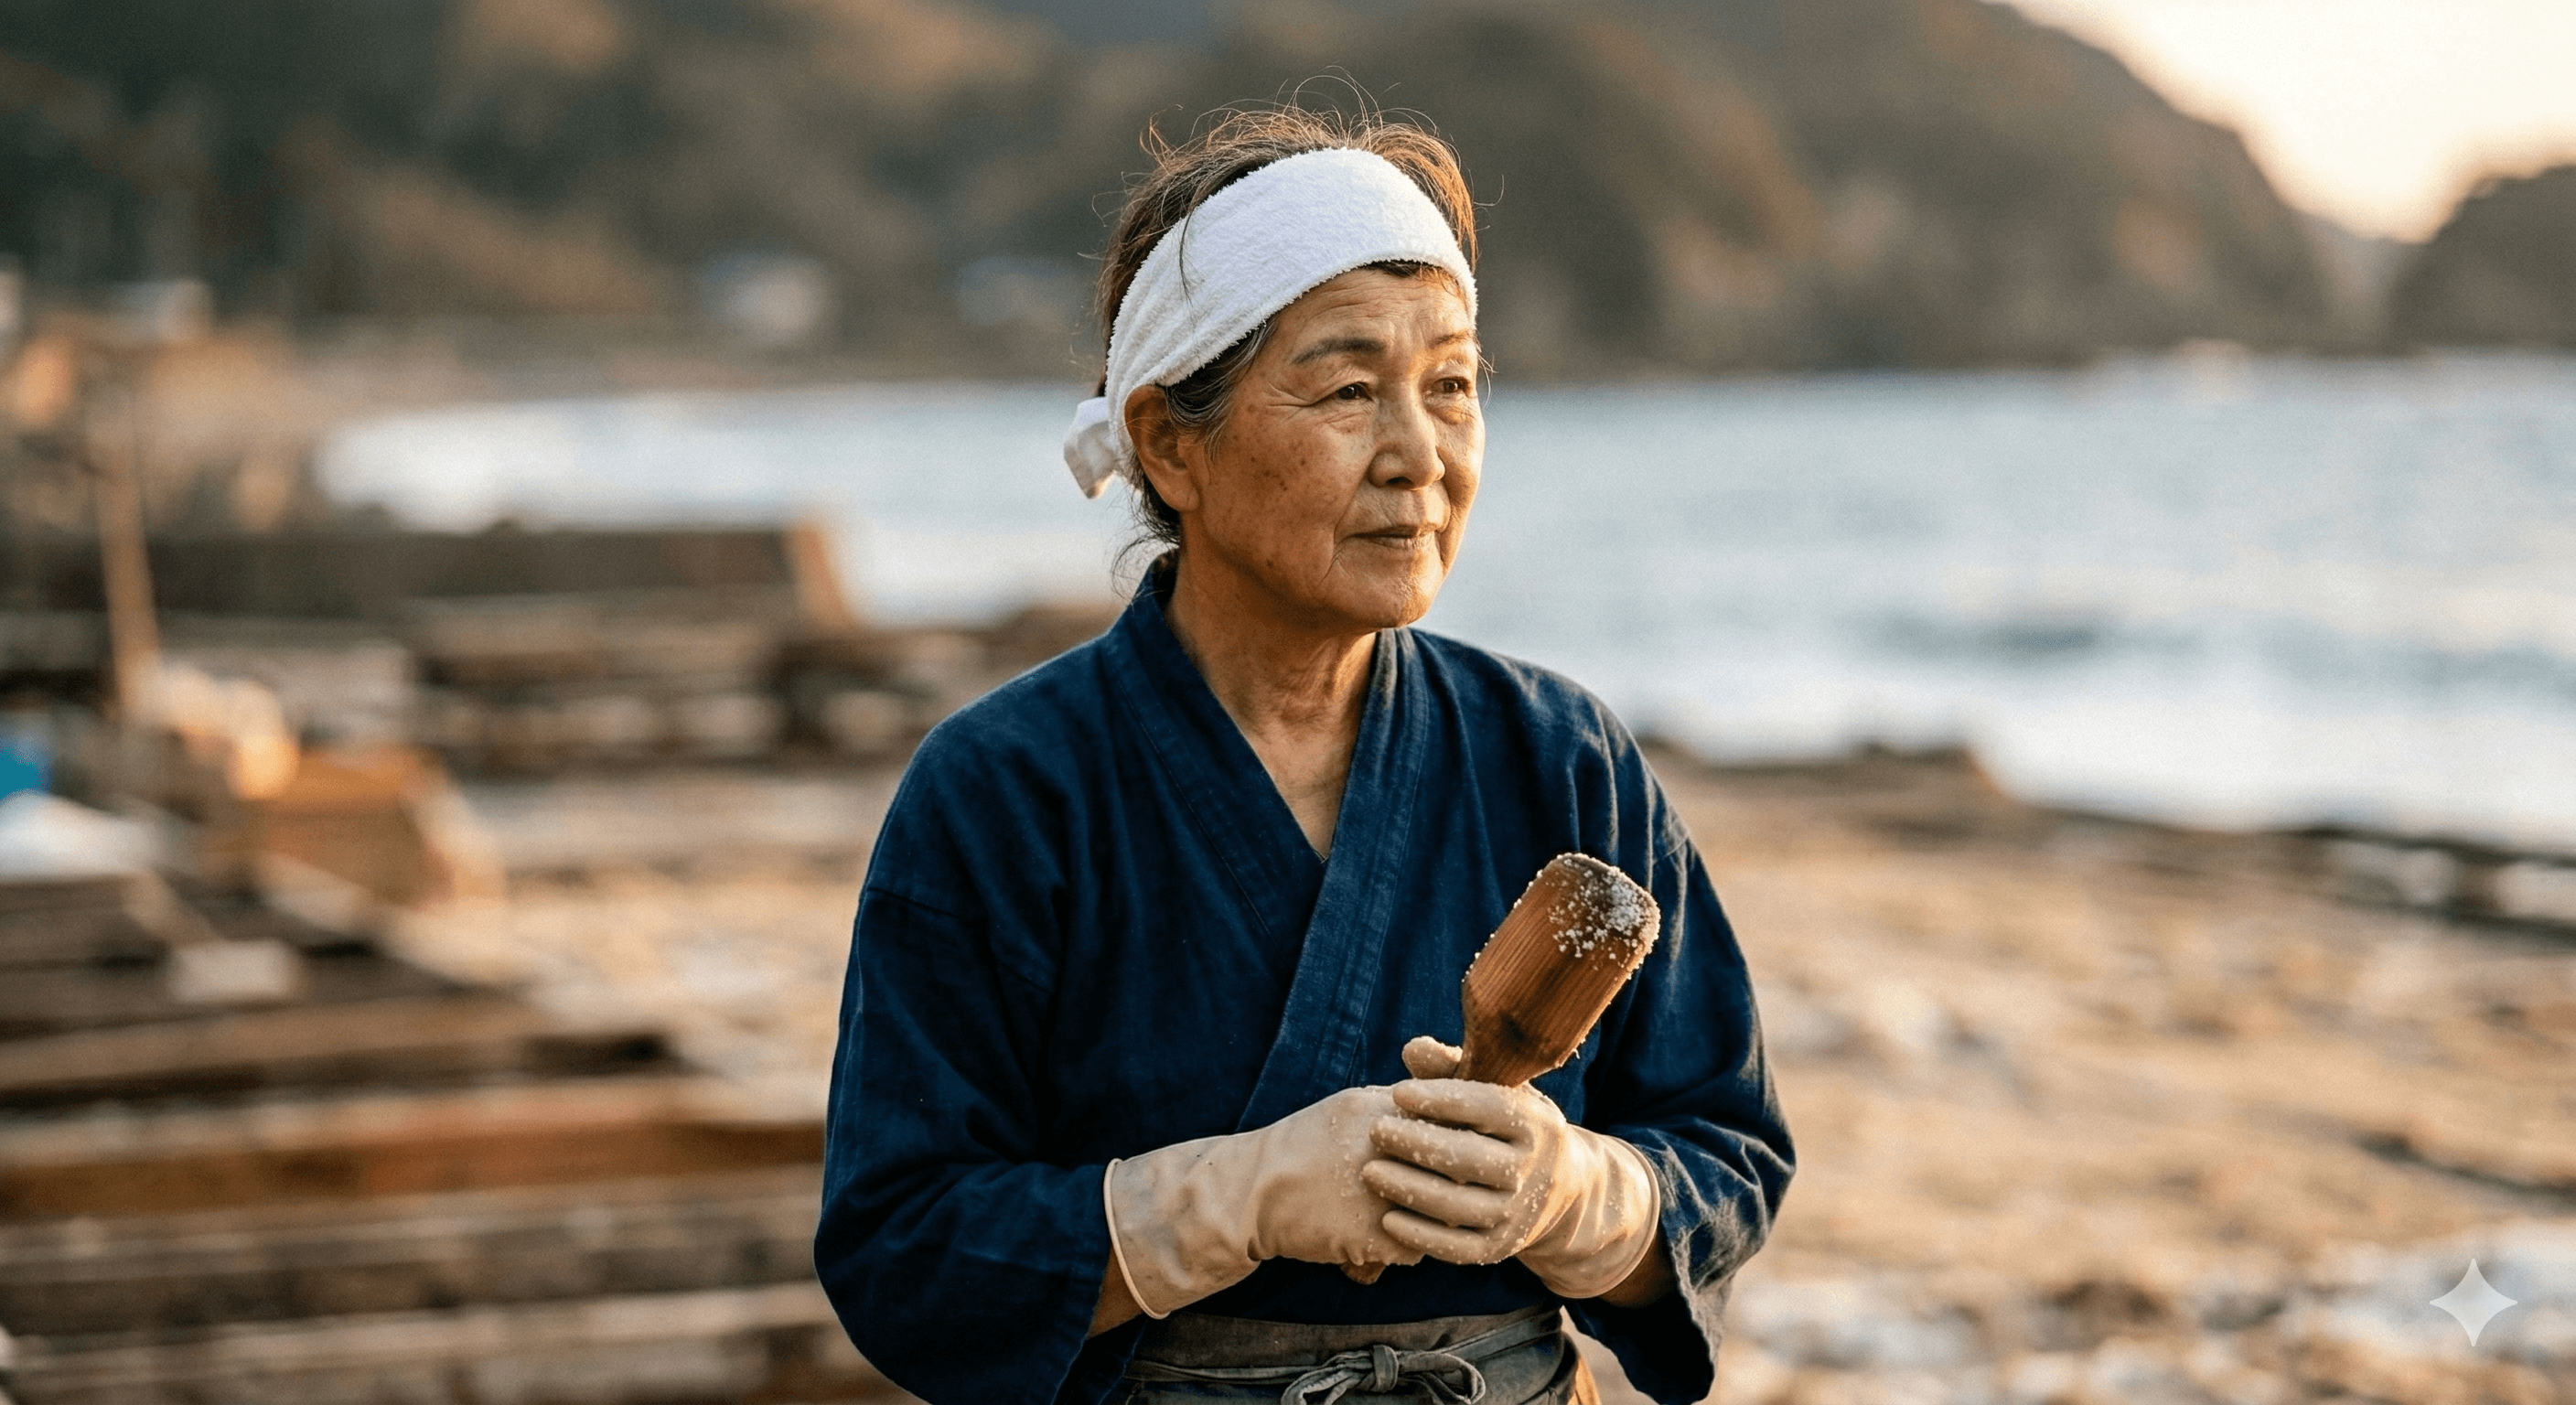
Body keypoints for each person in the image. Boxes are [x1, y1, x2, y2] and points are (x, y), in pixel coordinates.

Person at [815, 105, 1793, 1405]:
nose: (1420, 457)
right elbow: (904, 1250)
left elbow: (1725, 1149)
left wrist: (1580, 1200)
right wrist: (1241, 1199)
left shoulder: (1562, 760)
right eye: (1348, 390)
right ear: (1170, 442)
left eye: (1452, 386)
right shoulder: (1005, 791)